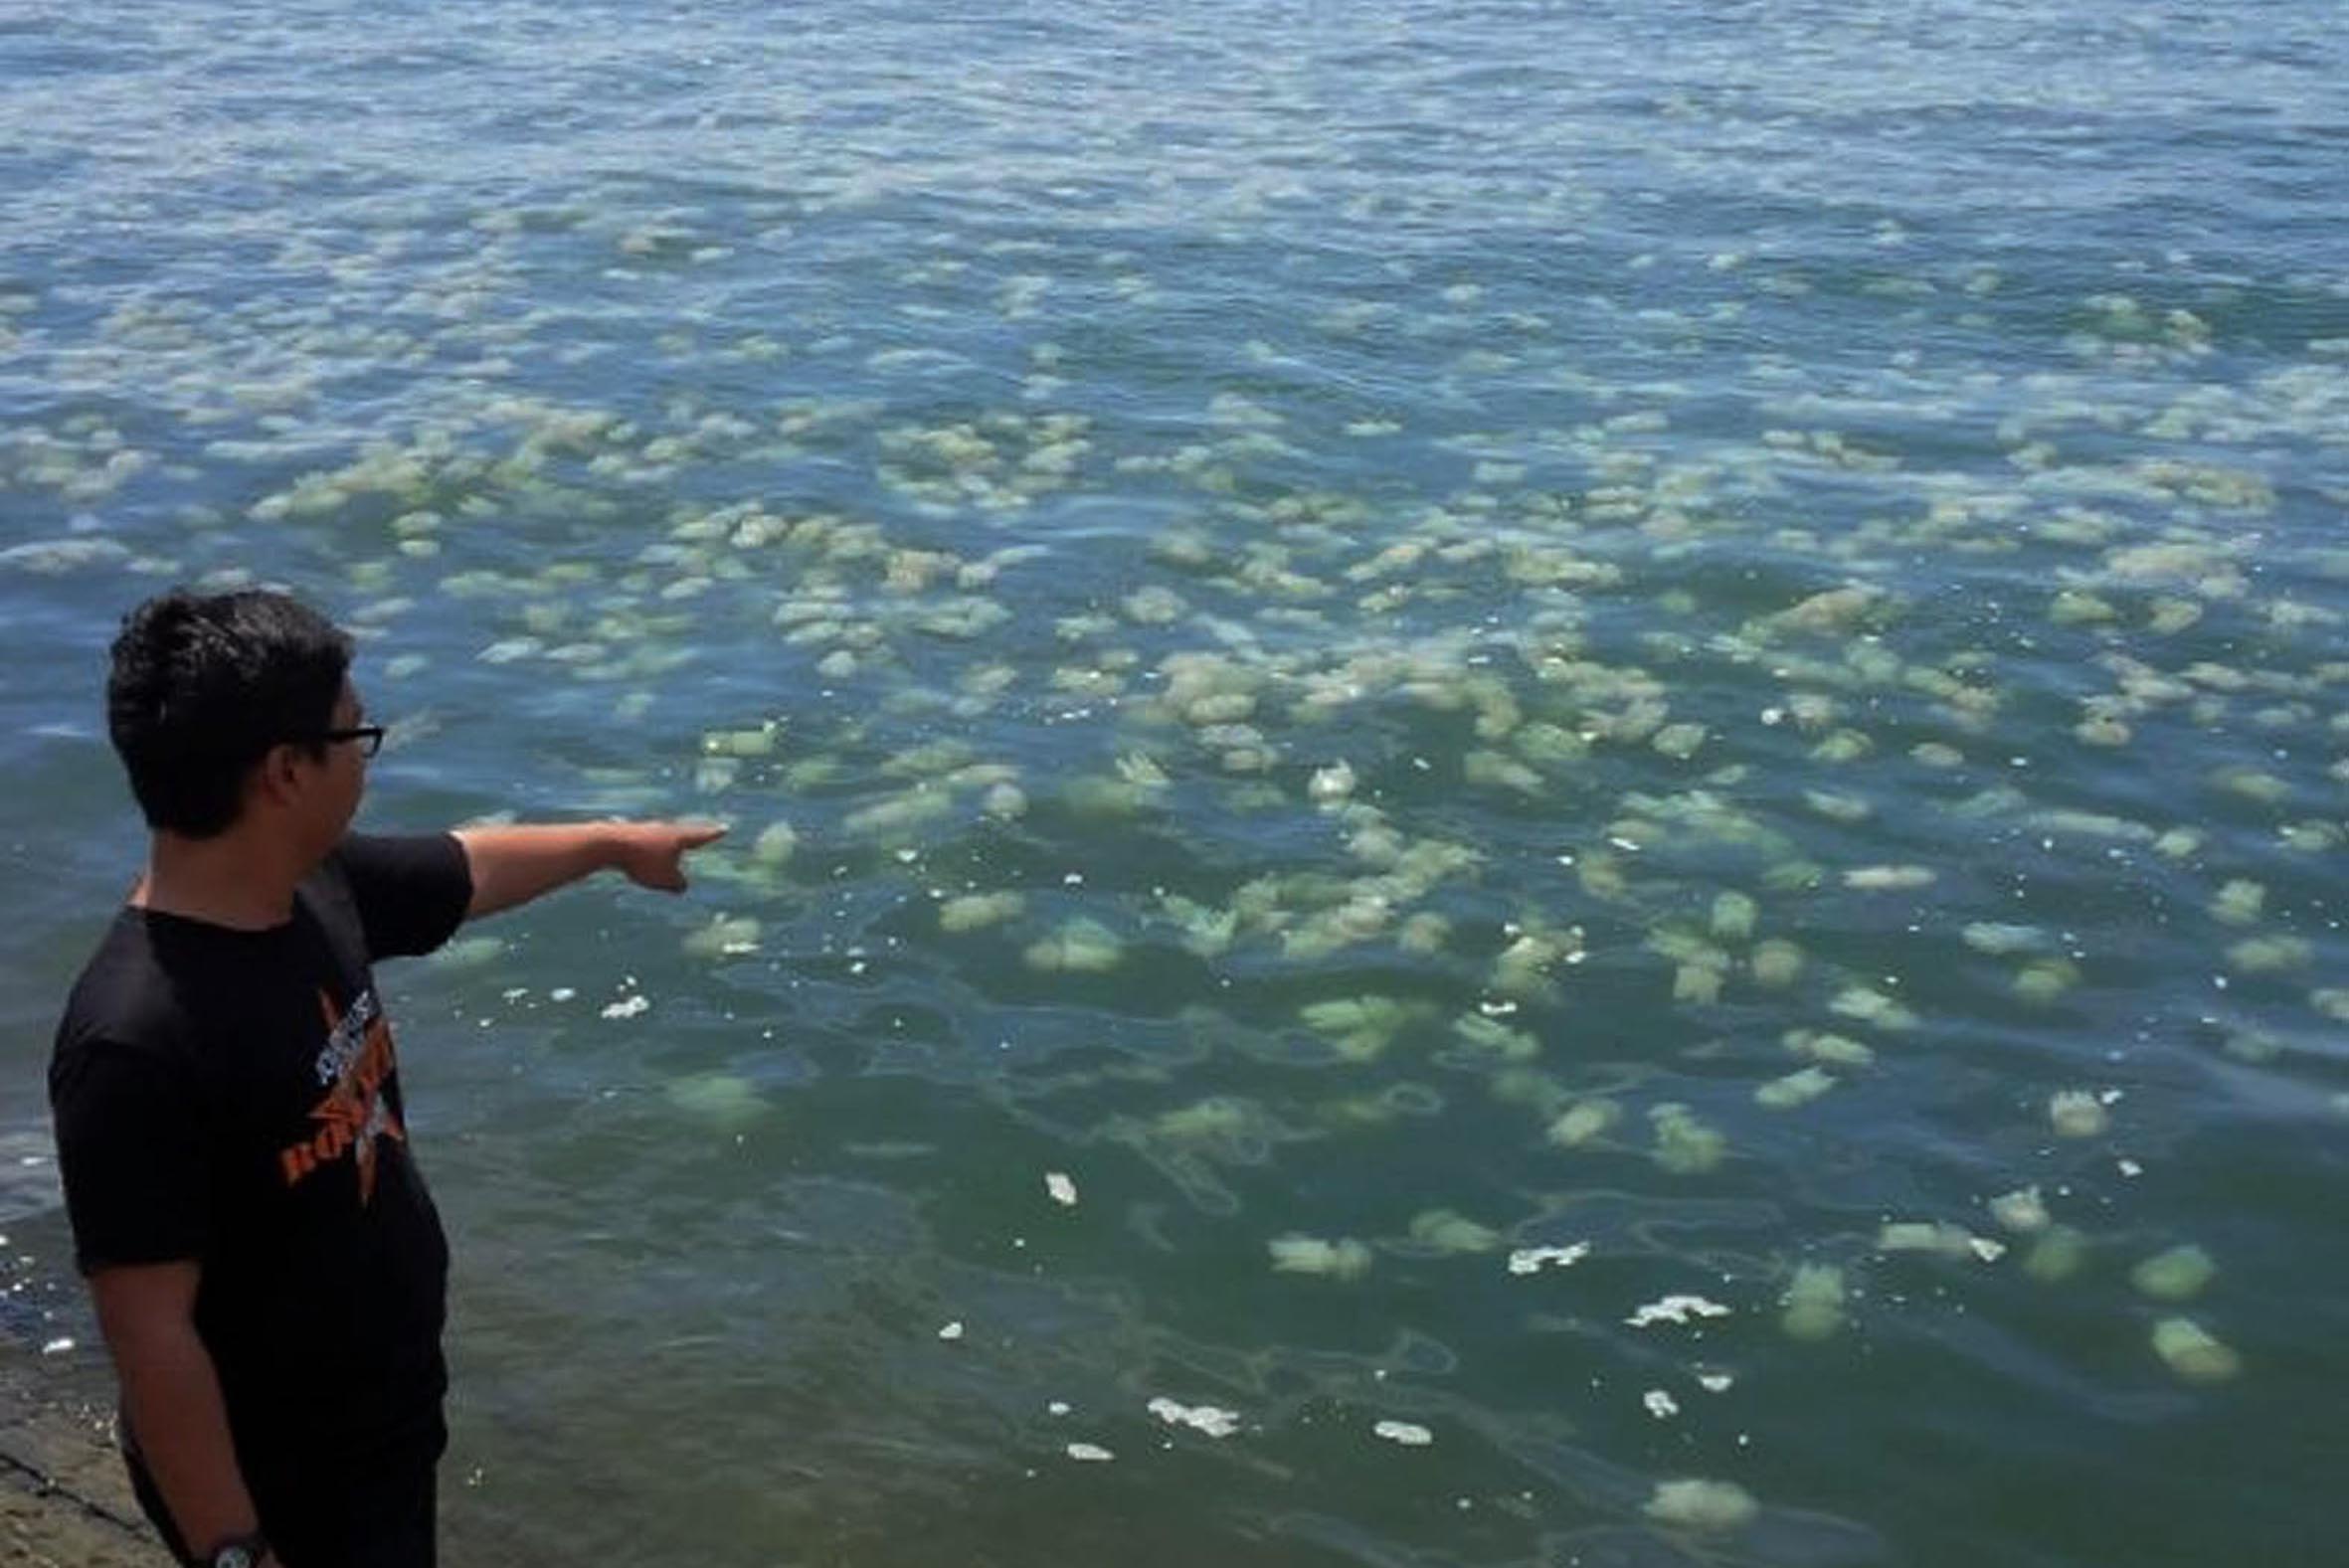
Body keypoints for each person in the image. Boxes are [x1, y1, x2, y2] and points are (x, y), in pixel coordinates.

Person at [48, 589, 725, 1568]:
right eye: (354, 734)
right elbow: (152, 1339)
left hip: (382, 1419)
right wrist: (233, 1548)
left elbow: (464, 868)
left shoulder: (308, 885)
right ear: (285, 771)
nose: (366, 757)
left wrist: (614, 845)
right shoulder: (136, 1039)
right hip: (288, 1474)